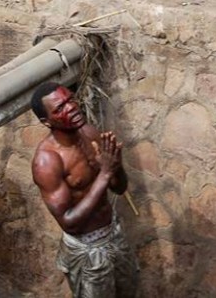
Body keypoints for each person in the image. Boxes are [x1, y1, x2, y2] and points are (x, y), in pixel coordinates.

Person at [30, 82, 139, 297]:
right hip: (88, 249)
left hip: (113, 233)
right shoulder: (47, 161)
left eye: (70, 99)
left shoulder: (89, 133)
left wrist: (115, 168)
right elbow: (69, 221)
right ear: (46, 121)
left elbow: (120, 188)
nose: (71, 108)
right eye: (60, 108)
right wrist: (105, 174)